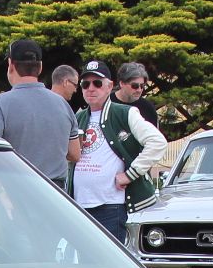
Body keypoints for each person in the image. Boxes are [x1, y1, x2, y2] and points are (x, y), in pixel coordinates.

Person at [70, 59, 165, 242]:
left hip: (110, 206)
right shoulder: (79, 116)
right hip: (79, 205)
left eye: (97, 83)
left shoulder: (125, 113)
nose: (91, 88)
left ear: (109, 86)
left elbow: (157, 142)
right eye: (85, 83)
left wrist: (130, 175)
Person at [0, 39, 80, 183]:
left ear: (11, 65)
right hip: (56, 195)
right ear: (39, 67)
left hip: (17, 189)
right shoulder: (62, 104)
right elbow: (75, 154)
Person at [112, 61, 160, 126]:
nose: (139, 90)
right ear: (122, 83)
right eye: (135, 86)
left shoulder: (148, 108)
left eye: (142, 86)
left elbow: (154, 135)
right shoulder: (106, 103)